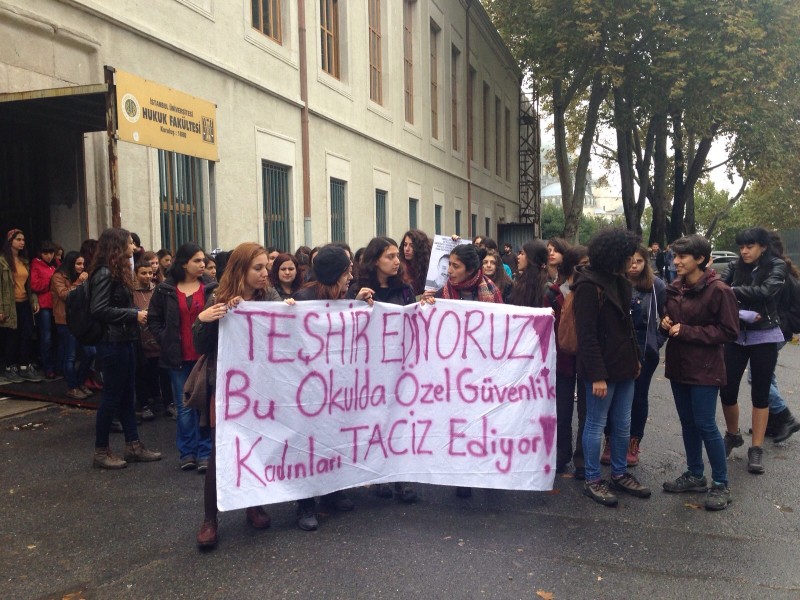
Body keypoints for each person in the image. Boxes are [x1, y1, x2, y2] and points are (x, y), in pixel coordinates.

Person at [193, 242, 279, 549]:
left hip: (260, 387)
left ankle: (253, 504)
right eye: (257, 268)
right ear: (240, 269)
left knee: (256, 446)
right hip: (228, 388)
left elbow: (283, 332)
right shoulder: (217, 296)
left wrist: (289, 311)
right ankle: (209, 519)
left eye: (266, 268)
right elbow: (201, 344)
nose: (264, 274)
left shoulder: (269, 296)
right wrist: (204, 320)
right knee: (221, 452)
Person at [292, 245, 372, 529]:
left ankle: (333, 493)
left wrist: (357, 302)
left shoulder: (343, 297)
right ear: (335, 274)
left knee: (334, 438)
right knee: (309, 444)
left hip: (338, 387)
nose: (351, 275)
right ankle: (305, 503)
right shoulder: (302, 300)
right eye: (347, 270)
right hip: (310, 389)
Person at [659, 234, 739, 510]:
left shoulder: (719, 290)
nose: (676, 261)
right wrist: (665, 323)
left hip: (705, 369)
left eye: (682, 257)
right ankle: (695, 474)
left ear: (701, 259)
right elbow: (669, 322)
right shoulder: (675, 287)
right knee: (688, 424)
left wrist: (688, 331)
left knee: (705, 424)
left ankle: (720, 483)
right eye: (675, 256)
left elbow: (729, 331)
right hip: (679, 366)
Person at [573, 228, 649, 507]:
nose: (632, 262)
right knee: (595, 424)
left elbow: (628, 326)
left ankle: (619, 473)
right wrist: (597, 375)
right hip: (601, 370)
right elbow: (587, 335)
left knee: (623, 423)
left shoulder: (620, 281)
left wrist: (637, 358)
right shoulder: (587, 285)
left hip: (625, 365)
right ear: (614, 255)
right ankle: (593, 479)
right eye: (628, 256)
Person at [422, 243, 503, 498]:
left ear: (470, 269)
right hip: (454, 375)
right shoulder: (441, 295)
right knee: (458, 423)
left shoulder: (492, 291)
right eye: (448, 266)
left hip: (484, 373)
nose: (449, 271)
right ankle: (462, 475)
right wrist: (425, 306)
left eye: (455, 267)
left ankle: (487, 472)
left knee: (484, 422)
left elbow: (503, 330)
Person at [347, 236, 419, 503]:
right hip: (369, 371)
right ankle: (379, 476)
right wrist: (355, 302)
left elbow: (415, 323)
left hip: (400, 368)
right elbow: (345, 325)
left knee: (401, 421)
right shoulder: (358, 289)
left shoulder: (405, 290)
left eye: (397, 256)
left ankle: (403, 478)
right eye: (390, 256)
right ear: (375, 260)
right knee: (375, 422)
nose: (396, 261)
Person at [89, 228, 161, 469]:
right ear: (118, 246)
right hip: (112, 343)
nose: (135, 247)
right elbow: (98, 309)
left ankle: (133, 445)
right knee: (111, 396)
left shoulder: (118, 272)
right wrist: (133, 314)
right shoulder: (104, 273)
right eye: (130, 243)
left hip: (124, 340)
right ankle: (101, 450)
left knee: (128, 395)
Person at [719, 227, 787, 474]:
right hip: (735, 335)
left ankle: (756, 448)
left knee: (760, 392)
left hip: (765, 335)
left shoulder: (777, 266)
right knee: (726, 389)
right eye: (742, 247)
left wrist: (731, 292)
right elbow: (716, 287)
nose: (744, 251)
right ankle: (733, 434)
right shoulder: (736, 266)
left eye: (750, 246)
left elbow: (766, 292)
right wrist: (738, 310)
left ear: (763, 247)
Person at [147, 242, 214, 472]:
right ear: (184, 263)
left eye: (203, 260)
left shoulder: (210, 288)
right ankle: (188, 453)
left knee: (204, 405)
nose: (202, 264)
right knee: (184, 407)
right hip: (176, 357)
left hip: (204, 356)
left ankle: (205, 452)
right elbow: (154, 318)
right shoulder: (166, 289)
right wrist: (163, 337)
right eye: (197, 260)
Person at [602, 245, 666, 467]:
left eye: (639, 261)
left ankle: (633, 443)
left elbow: (666, 319)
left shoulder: (655, 285)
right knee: (612, 397)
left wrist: (656, 343)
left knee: (639, 397)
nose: (634, 266)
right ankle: (610, 441)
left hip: (644, 350)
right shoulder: (613, 282)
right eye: (630, 261)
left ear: (646, 262)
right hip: (617, 349)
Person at [546, 245, 588, 477]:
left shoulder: (593, 290)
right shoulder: (552, 293)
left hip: (586, 361)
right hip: (561, 361)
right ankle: (561, 454)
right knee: (561, 412)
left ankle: (582, 459)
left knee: (586, 413)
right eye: (583, 264)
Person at [51, 251, 95, 400]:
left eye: (83, 264)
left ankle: (80, 381)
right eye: (78, 264)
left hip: (81, 320)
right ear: (70, 263)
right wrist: (78, 283)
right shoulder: (59, 276)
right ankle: (72, 386)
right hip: (65, 320)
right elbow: (64, 295)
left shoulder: (81, 276)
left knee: (90, 352)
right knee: (70, 356)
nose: (81, 267)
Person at [0, 229, 42, 383]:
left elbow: (29, 285)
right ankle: (9, 366)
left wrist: (34, 300)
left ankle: (24, 365)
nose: (22, 242)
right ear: (10, 241)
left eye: (23, 239)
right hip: (10, 304)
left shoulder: (24, 261)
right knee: (12, 335)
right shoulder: (2, 261)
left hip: (24, 301)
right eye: (18, 239)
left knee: (26, 333)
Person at [132, 261, 161, 420]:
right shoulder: (132, 291)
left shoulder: (156, 289)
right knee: (141, 372)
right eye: (143, 273)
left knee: (155, 370)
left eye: (150, 273)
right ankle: (143, 404)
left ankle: (157, 400)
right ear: (136, 273)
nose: (148, 276)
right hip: (139, 336)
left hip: (154, 335)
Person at [30, 240, 59, 379]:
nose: (49, 256)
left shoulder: (55, 265)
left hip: (56, 305)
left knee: (57, 336)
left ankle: (57, 365)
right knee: (46, 337)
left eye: (51, 253)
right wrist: (50, 281)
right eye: (45, 253)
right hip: (44, 306)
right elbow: (34, 285)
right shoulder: (36, 264)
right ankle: (48, 367)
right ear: (40, 254)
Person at [509, 241, 550, 307]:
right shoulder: (519, 282)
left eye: (522, 254)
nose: (518, 257)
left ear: (531, 258)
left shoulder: (545, 287)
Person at [399, 229, 431, 297]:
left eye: (412, 246)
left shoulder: (428, 266)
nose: (407, 249)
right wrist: (421, 298)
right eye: (405, 245)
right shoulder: (400, 267)